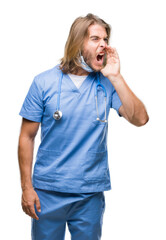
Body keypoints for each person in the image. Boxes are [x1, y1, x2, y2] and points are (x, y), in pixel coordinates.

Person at [18, 13, 149, 240]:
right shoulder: (43, 82)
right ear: (78, 43)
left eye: (106, 40)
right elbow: (26, 137)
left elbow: (140, 119)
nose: (104, 45)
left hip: (90, 193)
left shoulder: (106, 83)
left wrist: (116, 77)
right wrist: (27, 188)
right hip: (48, 192)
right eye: (96, 39)